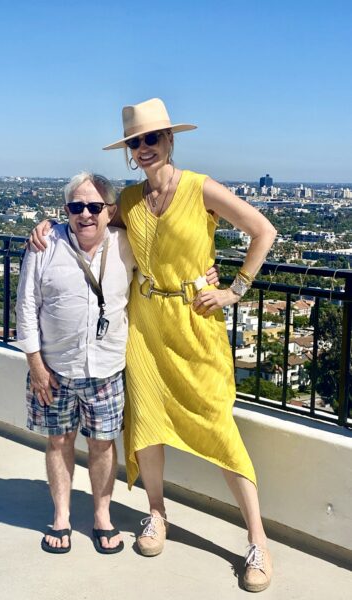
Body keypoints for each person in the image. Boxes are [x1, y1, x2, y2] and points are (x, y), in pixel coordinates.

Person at [30, 98, 276, 592]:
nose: (143, 148)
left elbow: (263, 231)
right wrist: (46, 228)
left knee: (219, 428)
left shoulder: (199, 187)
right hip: (143, 326)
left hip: (194, 322)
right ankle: (156, 515)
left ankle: (258, 541)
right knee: (146, 426)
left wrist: (233, 289)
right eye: (134, 142)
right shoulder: (130, 199)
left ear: (169, 140)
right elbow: (87, 219)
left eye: (151, 139)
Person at [15, 172, 134, 554]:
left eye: (95, 206)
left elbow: (170, 266)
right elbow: (26, 306)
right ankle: (62, 516)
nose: (85, 214)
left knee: (102, 444)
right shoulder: (45, 244)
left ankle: (102, 515)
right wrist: (36, 365)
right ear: (65, 209)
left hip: (106, 366)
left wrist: (213, 277)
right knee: (58, 441)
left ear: (110, 210)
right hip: (54, 368)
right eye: (76, 206)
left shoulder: (126, 245)